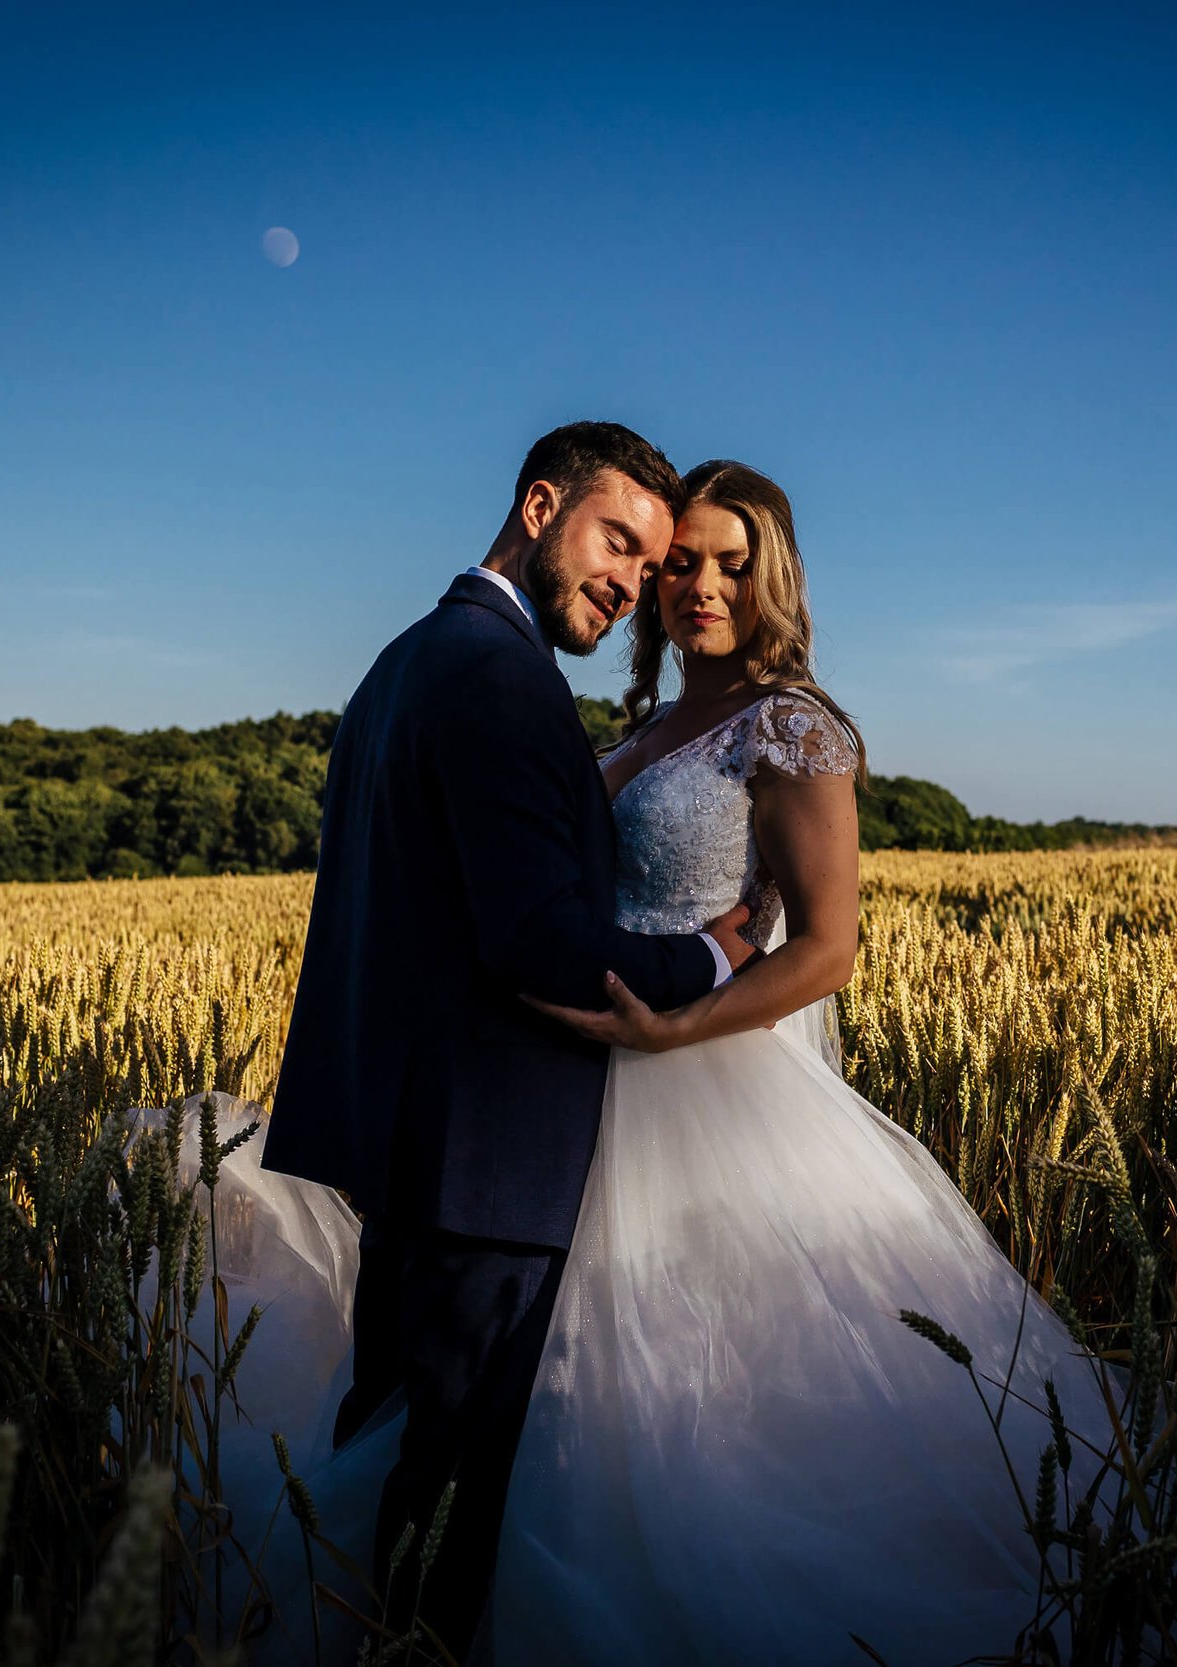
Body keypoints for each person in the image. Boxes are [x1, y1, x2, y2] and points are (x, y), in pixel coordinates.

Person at [217, 444, 1130, 1663]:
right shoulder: (633, 719)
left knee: (692, 1392)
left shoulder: (793, 727)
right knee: (531, 1399)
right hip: (573, 1081)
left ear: (773, 577)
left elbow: (824, 947)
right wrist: (667, 982)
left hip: (694, 1077)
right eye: (671, 561)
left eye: (726, 563)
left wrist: (685, 1015)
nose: (695, 583)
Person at [255, 421, 757, 1654]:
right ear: (539, 506)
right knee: (449, 1516)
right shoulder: (495, 672)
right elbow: (537, 941)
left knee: (391, 1483)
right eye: (615, 540)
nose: (632, 582)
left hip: (415, 1159)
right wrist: (718, 952)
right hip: (490, 1174)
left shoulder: (405, 659)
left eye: (650, 563)